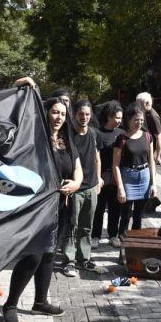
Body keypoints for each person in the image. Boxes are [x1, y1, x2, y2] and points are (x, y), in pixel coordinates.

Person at [3, 89, 82, 322]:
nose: (58, 117)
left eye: (62, 113)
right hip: (37, 207)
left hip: (61, 206)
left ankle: (40, 301)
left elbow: (78, 168)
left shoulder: (67, 140)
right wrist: (28, 82)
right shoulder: (36, 135)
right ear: (46, 112)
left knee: (49, 253)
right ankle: (10, 305)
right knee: (34, 255)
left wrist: (76, 183)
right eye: (54, 112)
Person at [62, 100, 103, 276]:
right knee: (72, 226)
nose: (84, 117)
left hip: (91, 187)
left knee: (87, 226)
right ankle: (69, 261)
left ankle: (83, 259)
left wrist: (99, 178)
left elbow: (97, 158)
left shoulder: (94, 134)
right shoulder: (68, 136)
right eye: (81, 114)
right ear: (75, 114)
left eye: (87, 114)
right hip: (75, 188)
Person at [113, 102, 157, 238]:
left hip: (144, 177)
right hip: (127, 177)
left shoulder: (147, 136)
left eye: (141, 120)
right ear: (128, 119)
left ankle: (135, 247)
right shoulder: (122, 138)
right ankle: (123, 249)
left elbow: (151, 161)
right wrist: (120, 187)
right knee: (125, 216)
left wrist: (153, 183)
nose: (139, 123)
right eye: (136, 120)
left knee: (138, 216)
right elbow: (115, 165)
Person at [92, 101, 124, 248]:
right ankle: (95, 236)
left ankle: (113, 235)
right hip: (101, 177)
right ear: (109, 116)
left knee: (115, 208)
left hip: (116, 177)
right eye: (117, 117)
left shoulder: (121, 133)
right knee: (99, 208)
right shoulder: (98, 133)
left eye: (121, 118)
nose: (119, 121)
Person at [136, 92, 161, 166]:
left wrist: (158, 155)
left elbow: (159, 137)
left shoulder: (153, 117)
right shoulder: (145, 112)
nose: (137, 106)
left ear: (147, 103)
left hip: (151, 151)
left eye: (139, 103)